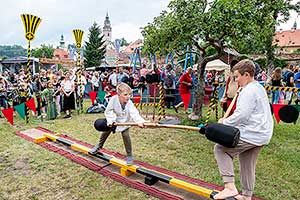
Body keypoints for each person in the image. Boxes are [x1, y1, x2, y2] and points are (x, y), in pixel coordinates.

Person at [214, 59, 273, 200]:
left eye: (237, 76)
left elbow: (242, 115)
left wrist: (224, 122)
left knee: (221, 149)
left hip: (253, 133)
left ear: (246, 74)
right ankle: (247, 196)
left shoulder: (249, 91)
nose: (236, 80)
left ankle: (230, 187)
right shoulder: (258, 87)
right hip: (262, 133)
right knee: (247, 163)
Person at [90, 83, 145, 165]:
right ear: (119, 94)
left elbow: (134, 113)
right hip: (114, 120)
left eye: (129, 94)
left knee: (126, 135)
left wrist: (139, 121)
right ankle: (99, 146)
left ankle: (129, 155)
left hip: (125, 122)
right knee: (106, 131)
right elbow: (108, 111)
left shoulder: (129, 103)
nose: (128, 96)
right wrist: (111, 121)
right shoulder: (113, 99)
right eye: (125, 94)